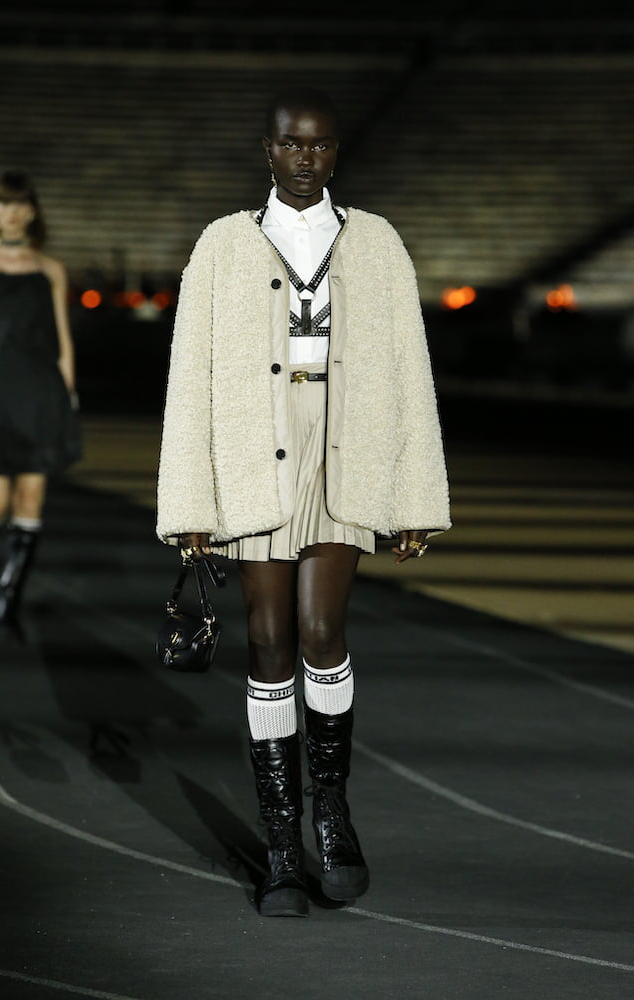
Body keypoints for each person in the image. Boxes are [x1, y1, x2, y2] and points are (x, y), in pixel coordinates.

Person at [157, 88, 450, 917]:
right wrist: (189, 501)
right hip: (256, 449)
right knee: (268, 638)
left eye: (320, 146)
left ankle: (332, 815)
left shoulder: (376, 241)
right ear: (268, 149)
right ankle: (282, 842)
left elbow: (409, 368)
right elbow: (190, 376)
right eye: (292, 144)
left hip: (344, 447)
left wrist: (415, 493)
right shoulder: (223, 243)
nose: (305, 159)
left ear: (335, 152)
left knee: (323, 630)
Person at [0, 169, 80, 637]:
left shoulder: (50, 269)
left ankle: (8, 604)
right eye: (3, 202)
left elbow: (63, 341)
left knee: (30, 499)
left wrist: (68, 398)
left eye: (18, 203)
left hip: (39, 395)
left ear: (31, 211)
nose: (10, 211)